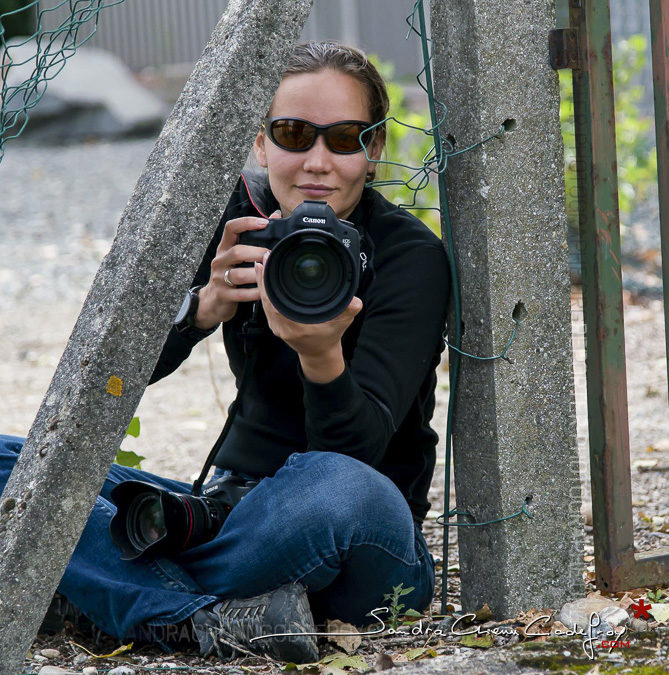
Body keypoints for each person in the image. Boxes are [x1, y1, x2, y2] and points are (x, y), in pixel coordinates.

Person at [0, 41, 449, 663]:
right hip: (226, 513)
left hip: (356, 537)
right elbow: (111, 376)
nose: (317, 162)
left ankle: (103, 584)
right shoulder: (240, 226)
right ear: (261, 143)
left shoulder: (408, 257)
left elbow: (357, 456)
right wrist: (200, 308)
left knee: (339, 486)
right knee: (14, 467)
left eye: (344, 138)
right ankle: (207, 619)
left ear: (373, 150)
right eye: (293, 133)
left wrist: (320, 355)